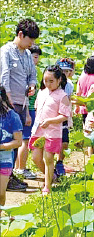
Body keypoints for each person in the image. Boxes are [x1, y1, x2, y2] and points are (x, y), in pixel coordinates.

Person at [0, 19, 39, 192]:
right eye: (30, 40)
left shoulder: (28, 55)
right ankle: (5, 178)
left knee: (16, 141)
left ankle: (9, 176)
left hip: (22, 103)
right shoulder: (6, 52)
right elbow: (4, 78)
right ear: (21, 35)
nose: (32, 44)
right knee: (7, 141)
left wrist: (32, 85)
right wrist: (7, 104)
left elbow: (32, 75)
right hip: (8, 104)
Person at [29, 65, 70, 195]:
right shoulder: (41, 92)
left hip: (52, 132)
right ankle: (51, 176)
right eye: (45, 80)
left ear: (59, 80)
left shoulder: (62, 95)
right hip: (39, 130)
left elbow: (64, 115)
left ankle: (47, 186)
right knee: (36, 158)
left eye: (51, 81)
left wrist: (50, 121)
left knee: (48, 158)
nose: (47, 84)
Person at [15, 44, 42, 180]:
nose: (36, 60)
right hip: (27, 109)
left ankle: (18, 167)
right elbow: (26, 96)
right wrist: (27, 114)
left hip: (27, 108)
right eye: (35, 57)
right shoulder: (27, 72)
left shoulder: (29, 70)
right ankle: (21, 168)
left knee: (21, 139)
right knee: (24, 140)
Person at [0, 86, 23, 207]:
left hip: (5, 158)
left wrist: (1, 146)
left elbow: (18, 142)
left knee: (1, 194)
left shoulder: (12, 116)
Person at [55, 58, 75, 176]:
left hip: (65, 115)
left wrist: (70, 115)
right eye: (62, 71)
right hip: (54, 114)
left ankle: (60, 162)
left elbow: (69, 99)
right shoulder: (53, 82)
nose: (65, 73)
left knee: (65, 141)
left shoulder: (70, 85)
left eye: (67, 71)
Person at [75, 56, 94, 124]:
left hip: (83, 106)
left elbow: (78, 93)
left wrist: (77, 107)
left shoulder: (82, 77)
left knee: (86, 128)